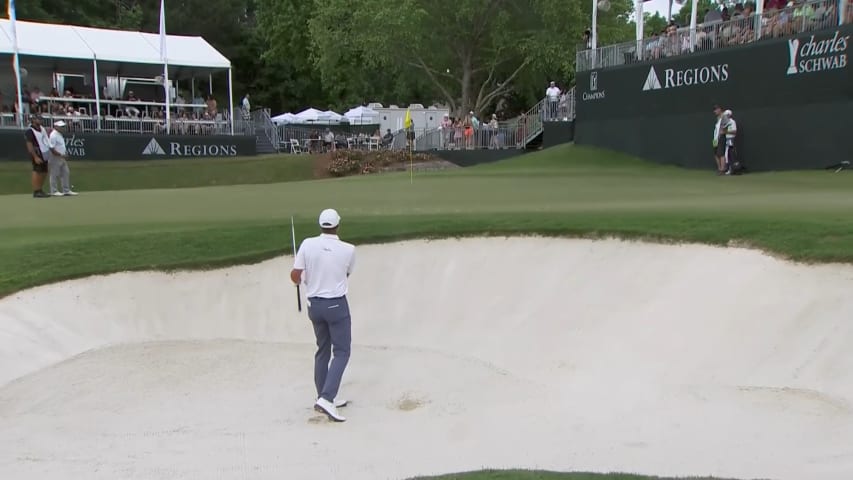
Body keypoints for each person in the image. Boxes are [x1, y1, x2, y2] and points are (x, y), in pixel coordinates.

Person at [290, 208, 356, 422]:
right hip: (336, 306)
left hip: (314, 306)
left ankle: (323, 395)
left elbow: (295, 276)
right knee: (342, 352)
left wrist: (300, 277)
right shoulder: (348, 249)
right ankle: (327, 398)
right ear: (338, 225)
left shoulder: (307, 244)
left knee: (322, 350)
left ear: (320, 225)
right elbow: (345, 273)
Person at [47, 120, 77, 197]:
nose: (63, 128)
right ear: (56, 127)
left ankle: (66, 190)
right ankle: (54, 191)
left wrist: (64, 153)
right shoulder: (53, 135)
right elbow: (51, 148)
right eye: (61, 127)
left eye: (63, 126)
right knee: (54, 174)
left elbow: (60, 146)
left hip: (62, 157)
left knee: (65, 173)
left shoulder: (59, 134)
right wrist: (61, 154)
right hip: (55, 157)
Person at [24, 114, 50, 198]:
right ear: (33, 120)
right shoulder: (30, 131)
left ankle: (40, 189)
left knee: (44, 171)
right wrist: (35, 156)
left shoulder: (42, 129)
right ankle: (36, 191)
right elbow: (29, 144)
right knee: (37, 170)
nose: (41, 120)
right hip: (37, 152)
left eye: (41, 118)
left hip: (44, 152)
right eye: (38, 119)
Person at [712, 104, 727, 175]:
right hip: (715, 139)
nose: (715, 111)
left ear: (720, 109)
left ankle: (722, 169)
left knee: (721, 153)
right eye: (714, 110)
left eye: (716, 109)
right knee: (715, 154)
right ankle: (719, 168)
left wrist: (723, 131)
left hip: (721, 137)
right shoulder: (717, 118)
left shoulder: (724, 116)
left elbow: (728, 125)